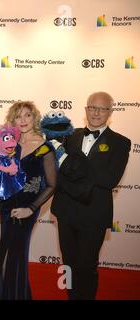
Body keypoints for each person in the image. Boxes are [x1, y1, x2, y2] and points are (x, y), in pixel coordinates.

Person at [51, 92, 131, 300]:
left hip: (93, 214)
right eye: (92, 107)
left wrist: (71, 166)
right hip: (66, 210)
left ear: (110, 112)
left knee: (87, 266)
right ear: (86, 110)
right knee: (68, 262)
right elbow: (55, 171)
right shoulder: (69, 136)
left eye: (102, 108)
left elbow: (109, 179)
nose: (96, 112)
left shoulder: (121, 143)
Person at [0, 101, 57, 300]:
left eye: (27, 115)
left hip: (27, 209)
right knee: (6, 255)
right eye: (18, 116)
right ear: (12, 120)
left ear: (34, 118)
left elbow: (52, 184)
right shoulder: (10, 144)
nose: (23, 120)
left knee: (13, 257)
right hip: (7, 208)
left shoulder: (45, 148)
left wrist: (31, 208)